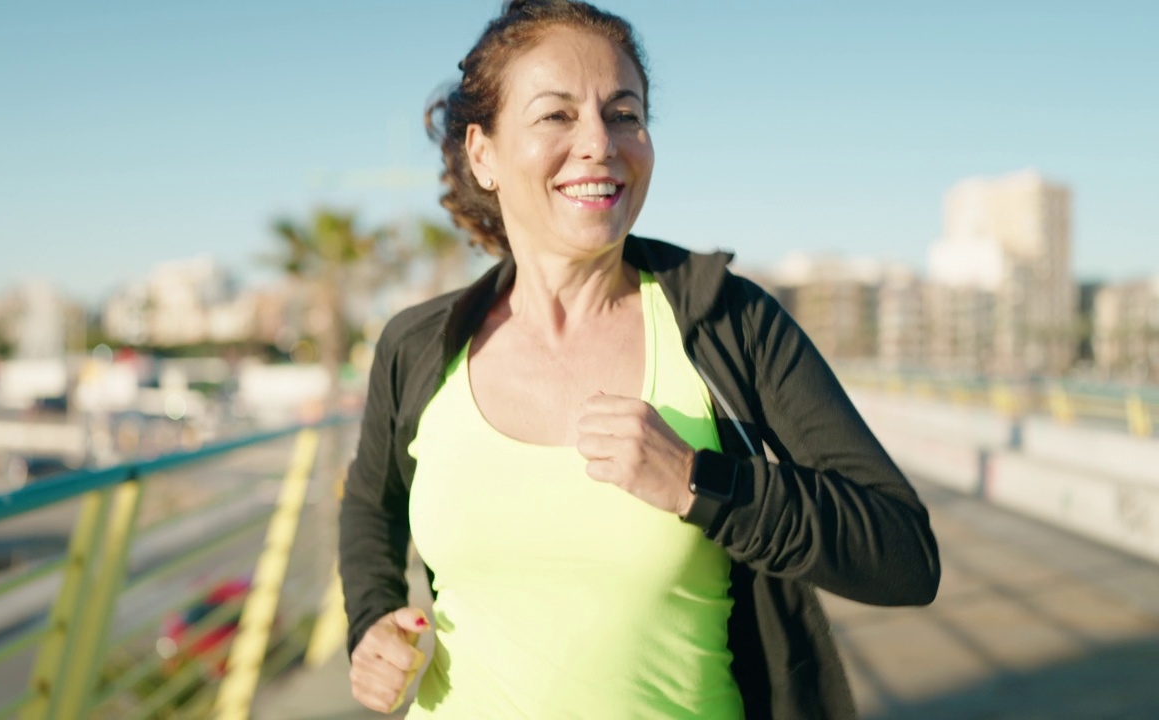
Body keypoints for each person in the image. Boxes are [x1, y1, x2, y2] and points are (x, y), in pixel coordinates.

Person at [339, 1, 941, 718]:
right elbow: (370, 507)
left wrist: (700, 483)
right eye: (557, 115)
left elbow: (904, 554)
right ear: (484, 154)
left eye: (623, 113)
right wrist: (372, 621)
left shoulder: (730, 322)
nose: (600, 142)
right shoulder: (417, 346)